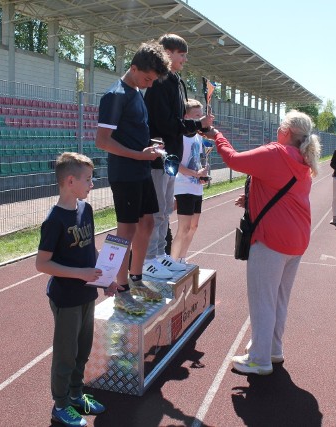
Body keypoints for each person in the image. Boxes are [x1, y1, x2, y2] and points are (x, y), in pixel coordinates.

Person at [203, 110, 320, 375]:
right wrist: (254, 198)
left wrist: (217, 136)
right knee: (279, 298)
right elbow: (283, 191)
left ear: (286, 131)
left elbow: (233, 159)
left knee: (262, 300)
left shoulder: (276, 152)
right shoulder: (302, 158)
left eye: (281, 125)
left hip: (272, 238)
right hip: (297, 237)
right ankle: (273, 350)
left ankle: (259, 359)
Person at [36, 152, 121, 427]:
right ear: (70, 181)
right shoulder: (54, 220)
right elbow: (42, 263)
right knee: (65, 354)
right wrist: (80, 274)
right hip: (66, 297)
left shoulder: (86, 210)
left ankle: (75, 395)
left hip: (86, 294)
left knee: (82, 351)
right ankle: (60, 406)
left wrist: (104, 277)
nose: (92, 184)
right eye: (88, 179)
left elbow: (89, 250)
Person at [95, 41, 170, 315]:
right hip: (125, 173)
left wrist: (151, 146)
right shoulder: (115, 95)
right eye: (147, 78)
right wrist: (140, 155)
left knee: (147, 223)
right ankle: (120, 289)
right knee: (125, 232)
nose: (149, 85)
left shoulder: (136, 91)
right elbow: (102, 141)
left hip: (140, 170)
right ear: (134, 68)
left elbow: (130, 133)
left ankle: (137, 280)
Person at [143, 34, 214, 279]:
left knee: (164, 210)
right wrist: (194, 124)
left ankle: (161, 255)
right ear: (168, 53)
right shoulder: (159, 82)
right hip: (159, 156)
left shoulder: (175, 81)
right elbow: (164, 122)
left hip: (170, 156)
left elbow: (176, 121)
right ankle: (148, 259)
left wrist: (198, 126)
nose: (184, 59)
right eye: (181, 54)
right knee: (156, 211)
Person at [170, 99, 209, 264]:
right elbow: (176, 165)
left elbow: (196, 160)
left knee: (193, 227)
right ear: (186, 117)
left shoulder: (199, 138)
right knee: (184, 228)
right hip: (182, 185)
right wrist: (194, 173)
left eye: (202, 115)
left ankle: (182, 259)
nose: (201, 119)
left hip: (195, 187)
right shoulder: (180, 137)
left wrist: (202, 176)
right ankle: (171, 261)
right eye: (197, 116)